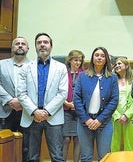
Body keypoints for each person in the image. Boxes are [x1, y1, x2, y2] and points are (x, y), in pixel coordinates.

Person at [17, 32, 68, 162]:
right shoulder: (26, 68)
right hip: (31, 116)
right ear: (35, 46)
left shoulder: (61, 67)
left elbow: (62, 93)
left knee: (57, 156)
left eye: (45, 42)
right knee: (31, 157)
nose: (42, 45)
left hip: (53, 116)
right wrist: (35, 111)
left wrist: (46, 112)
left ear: (51, 46)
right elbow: (21, 93)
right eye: (39, 43)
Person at [73, 47, 119, 162]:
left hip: (104, 123)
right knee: (86, 157)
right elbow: (77, 98)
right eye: (97, 55)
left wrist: (100, 120)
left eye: (102, 56)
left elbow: (114, 100)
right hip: (85, 122)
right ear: (92, 58)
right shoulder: (82, 76)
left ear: (106, 59)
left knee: (104, 157)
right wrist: (86, 119)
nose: (99, 58)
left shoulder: (112, 77)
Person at [0, 36, 30, 161]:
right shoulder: (1, 64)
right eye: (17, 43)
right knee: (5, 145)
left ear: (28, 48)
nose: (20, 45)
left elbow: (36, 88)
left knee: (27, 146)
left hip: (27, 112)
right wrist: (9, 100)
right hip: (6, 110)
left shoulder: (34, 66)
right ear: (12, 48)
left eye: (23, 43)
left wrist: (22, 102)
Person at [63, 50, 85, 162]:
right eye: (76, 60)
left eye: (80, 60)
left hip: (80, 111)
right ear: (70, 60)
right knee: (66, 139)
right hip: (65, 110)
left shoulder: (85, 74)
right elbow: (57, 90)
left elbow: (87, 93)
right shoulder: (63, 73)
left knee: (78, 139)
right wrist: (66, 103)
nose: (78, 62)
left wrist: (78, 105)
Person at [111, 57, 133, 152]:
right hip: (115, 117)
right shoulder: (112, 81)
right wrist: (117, 115)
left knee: (129, 145)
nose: (117, 66)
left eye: (119, 63)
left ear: (126, 66)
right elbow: (109, 100)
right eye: (116, 64)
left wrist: (127, 115)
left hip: (130, 117)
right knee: (114, 144)